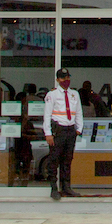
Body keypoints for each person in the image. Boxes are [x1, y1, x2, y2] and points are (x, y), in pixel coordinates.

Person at [44, 67, 84, 198]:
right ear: (57, 79)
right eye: (63, 78)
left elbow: (78, 112)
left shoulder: (74, 94)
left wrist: (79, 128)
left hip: (70, 130)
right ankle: (54, 188)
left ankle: (66, 186)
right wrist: (48, 133)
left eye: (67, 78)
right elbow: (47, 115)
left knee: (67, 159)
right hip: (58, 130)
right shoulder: (52, 95)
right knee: (54, 159)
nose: (66, 80)